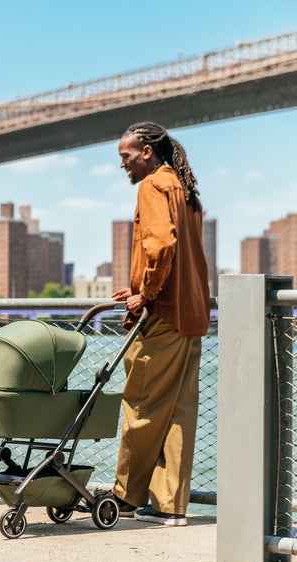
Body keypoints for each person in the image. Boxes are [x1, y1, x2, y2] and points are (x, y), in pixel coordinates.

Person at [109, 121, 210, 527]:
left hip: (164, 315)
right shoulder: (184, 188)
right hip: (194, 313)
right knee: (178, 412)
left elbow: (162, 244)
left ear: (146, 153)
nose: (123, 166)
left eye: (125, 157)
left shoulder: (152, 186)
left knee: (142, 407)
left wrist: (145, 293)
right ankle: (169, 506)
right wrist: (136, 285)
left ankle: (126, 499)